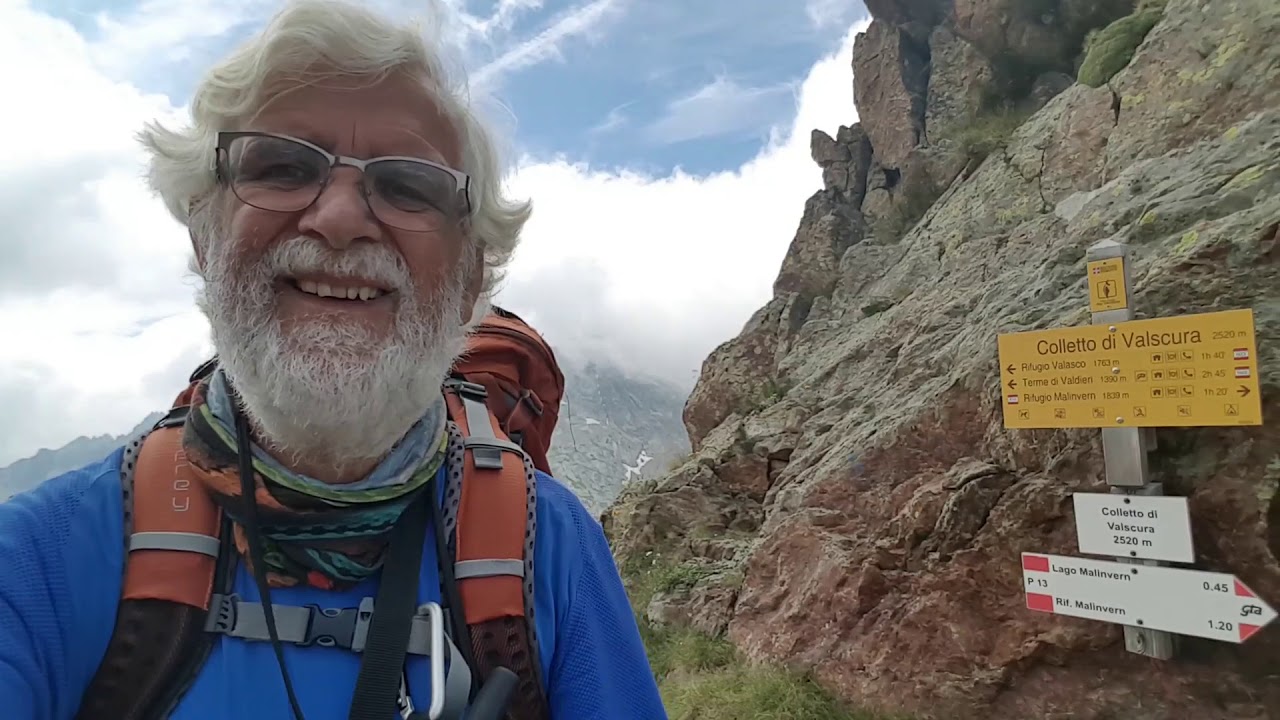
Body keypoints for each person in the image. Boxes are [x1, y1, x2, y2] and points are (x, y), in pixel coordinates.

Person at [0, 1, 667, 718]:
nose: (341, 218)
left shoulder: (554, 553)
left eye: (409, 185)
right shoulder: (36, 564)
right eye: (283, 167)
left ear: (472, 275)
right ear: (204, 235)